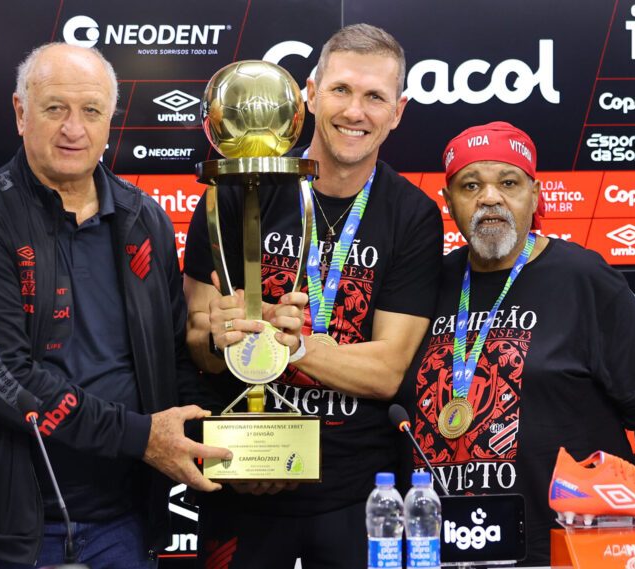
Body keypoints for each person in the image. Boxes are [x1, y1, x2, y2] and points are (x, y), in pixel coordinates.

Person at [0, 43, 235, 568]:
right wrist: (141, 438)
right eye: (55, 108)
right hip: (3, 537)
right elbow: (3, 377)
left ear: (110, 120)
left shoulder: (145, 219)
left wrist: (234, 447)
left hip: (123, 527)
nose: (74, 128)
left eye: (91, 110)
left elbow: (171, 361)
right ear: (21, 113)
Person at [184, 24, 443, 569]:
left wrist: (292, 345)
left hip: (357, 494)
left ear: (398, 112)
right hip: (242, 478)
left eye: (375, 97)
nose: (355, 111)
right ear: (310, 93)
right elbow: (198, 345)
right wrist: (222, 334)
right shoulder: (236, 188)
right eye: (341, 89)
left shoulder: (412, 214)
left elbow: (387, 371)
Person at [403, 121, 635, 566]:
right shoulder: (424, 283)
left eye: (508, 183)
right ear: (448, 201)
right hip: (440, 548)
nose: (490, 198)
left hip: (565, 549)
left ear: (535, 196)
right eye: (470, 185)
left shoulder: (585, 279)